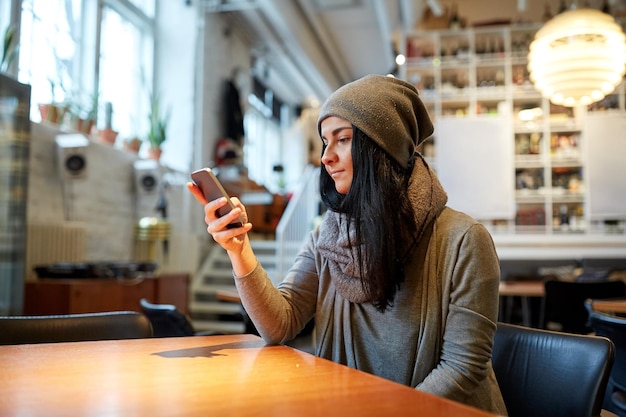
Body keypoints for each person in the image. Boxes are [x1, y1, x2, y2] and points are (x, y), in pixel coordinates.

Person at [187, 74, 507, 415]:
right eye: (325, 141)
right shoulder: (329, 236)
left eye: (342, 139)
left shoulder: (464, 241)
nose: (326, 157)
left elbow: (462, 370)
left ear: (384, 147)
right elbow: (281, 323)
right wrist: (239, 249)